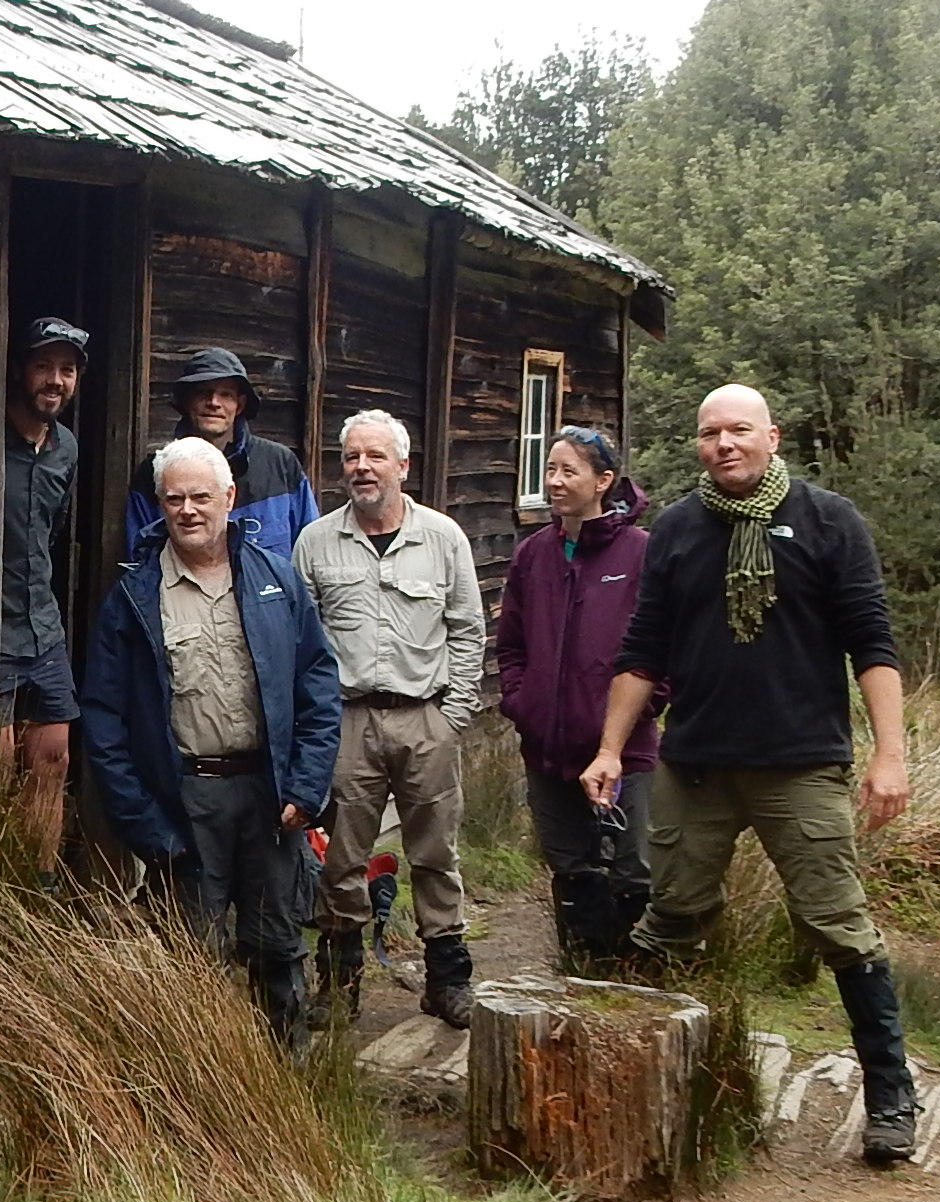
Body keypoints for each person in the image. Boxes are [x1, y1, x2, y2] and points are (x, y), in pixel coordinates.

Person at [580, 384, 920, 1165]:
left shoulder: (830, 520)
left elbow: (872, 642)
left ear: (771, 436)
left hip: (800, 765)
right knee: (669, 918)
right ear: (696, 443)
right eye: (709, 433)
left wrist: (890, 756)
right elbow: (643, 649)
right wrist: (608, 748)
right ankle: (648, 1089)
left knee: (839, 926)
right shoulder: (675, 529)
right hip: (696, 766)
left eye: (738, 430)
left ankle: (892, 1097)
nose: (723, 444)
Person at [79, 435, 342, 1049]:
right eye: (174, 499)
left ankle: (287, 1074)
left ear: (230, 497)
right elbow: (105, 723)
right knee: (192, 961)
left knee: (278, 949)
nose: (188, 510)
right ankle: (201, 1090)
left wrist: (307, 787)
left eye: (201, 496)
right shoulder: (134, 600)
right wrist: (146, 825)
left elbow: (320, 688)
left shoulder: (278, 580)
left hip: (271, 798)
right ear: (160, 505)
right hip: (185, 803)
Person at [294, 410, 485, 1028]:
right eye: (351, 457)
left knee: (435, 852)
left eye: (375, 456)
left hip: (425, 719)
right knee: (341, 858)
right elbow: (302, 642)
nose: (361, 468)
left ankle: (446, 981)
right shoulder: (316, 542)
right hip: (348, 723)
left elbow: (468, 629)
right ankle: (340, 986)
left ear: (403, 466)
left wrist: (451, 715)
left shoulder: (444, 538)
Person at [493, 426, 663, 963]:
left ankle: (634, 985)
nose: (555, 482)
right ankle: (580, 974)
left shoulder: (640, 553)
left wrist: (636, 715)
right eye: (550, 470)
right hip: (548, 750)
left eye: (569, 471)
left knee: (631, 866)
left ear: (603, 481)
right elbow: (511, 644)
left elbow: (665, 648)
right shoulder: (533, 555)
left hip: (624, 752)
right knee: (570, 867)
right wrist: (524, 705)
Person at [0, 316, 91, 864]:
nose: (55, 380)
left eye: (67, 369)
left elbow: (53, 533)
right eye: (43, 366)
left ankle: (38, 886)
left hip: (43, 628)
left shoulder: (68, 447)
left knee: (53, 763)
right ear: (19, 371)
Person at [120, 347, 317, 558]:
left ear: (239, 405)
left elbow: (311, 552)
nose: (214, 403)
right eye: (203, 393)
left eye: (225, 394)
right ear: (187, 402)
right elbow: (139, 560)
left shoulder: (280, 465)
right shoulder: (154, 473)